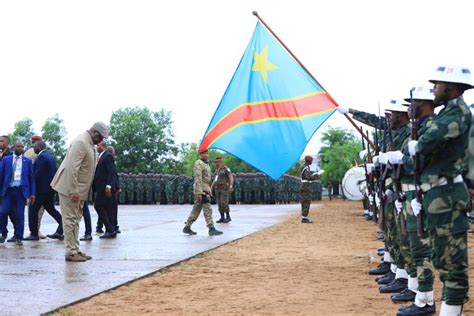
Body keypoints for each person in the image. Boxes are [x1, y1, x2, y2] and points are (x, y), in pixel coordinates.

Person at [409, 65, 472, 315]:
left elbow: (427, 142)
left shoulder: (457, 113)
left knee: (452, 263)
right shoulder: (449, 112)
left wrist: (412, 147)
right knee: (441, 258)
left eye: (438, 85)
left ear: (450, 87)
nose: (435, 89)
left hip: (447, 197)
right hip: (438, 196)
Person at [51, 122, 108, 262]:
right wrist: (73, 190)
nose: (101, 141)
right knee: (70, 220)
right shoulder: (80, 142)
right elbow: (72, 168)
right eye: (100, 137)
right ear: (94, 131)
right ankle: (70, 252)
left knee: (76, 219)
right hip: (70, 189)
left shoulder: (89, 144)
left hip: (79, 190)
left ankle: (75, 249)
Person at [24, 140, 63, 241]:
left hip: (40, 190)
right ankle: (62, 228)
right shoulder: (51, 156)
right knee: (51, 210)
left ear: (39, 147)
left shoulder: (41, 157)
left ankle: (34, 234)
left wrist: (31, 188)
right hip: (49, 190)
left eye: (35, 147)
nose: (33, 149)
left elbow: (37, 175)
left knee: (32, 210)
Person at [0, 140, 35, 246]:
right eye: (18, 146)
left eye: (22, 146)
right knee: (2, 212)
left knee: (20, 215)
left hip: (21, 192)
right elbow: (1, 175)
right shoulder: (6, 159)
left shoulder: (27, 161)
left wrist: (33, 193)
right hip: (8, 191)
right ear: (14, 147)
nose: (21, 148)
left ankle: (19, 236)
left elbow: (31, 178)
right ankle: (4, 233)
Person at [182, 149, 222, 236]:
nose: (206, 155)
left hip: (205, 189)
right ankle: (211, 228)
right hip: (202, 190)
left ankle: (187, 227)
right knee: (208, 208)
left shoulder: (206, 164)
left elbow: (207, 179)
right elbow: (198, 178)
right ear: (200, 154)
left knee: (196, 209)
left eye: (207, 153)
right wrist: (199, 192)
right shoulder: (199, 164)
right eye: (204, 153)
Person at [92, 140, 117, 239]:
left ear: (102, 146)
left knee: (98, 206)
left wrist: (109, 186)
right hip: (100, 187)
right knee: (106, 208)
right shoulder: (101, 156)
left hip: (104, 188)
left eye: (97, 145)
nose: (96, 147)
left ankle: (110, 229)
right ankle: (110, 230)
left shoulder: (107, 156)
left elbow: (111, 172)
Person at [24, 135, 47, 239]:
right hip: (36, 186)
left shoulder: (27, 152)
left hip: (33, 186)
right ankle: (35, 231)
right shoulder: (34, 152)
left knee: (34, 210)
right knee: (37, 210)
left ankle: (35, 231)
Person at [0, 135, 16, 240]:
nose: (0, 143)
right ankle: (3, 233)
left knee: (11, 212)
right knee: (1, 213)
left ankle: (17, 233)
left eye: (1, 141)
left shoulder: (11, 156)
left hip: (8, 189)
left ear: (7, 143)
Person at [211, 156, 234, 223]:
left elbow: (231, 177)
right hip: (217, 189)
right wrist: (211, 187)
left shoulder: (226, 168)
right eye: (215, 162)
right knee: (219, 203)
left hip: (224, 189)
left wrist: (231, 185)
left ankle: (228, 216)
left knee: (224, 203)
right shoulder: (217, 170)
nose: (216, 163)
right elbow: (215, 180)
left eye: (217, 162)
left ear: (221, 162)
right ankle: (222, 217)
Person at [300, 155, 318, 223]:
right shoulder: (306, 168)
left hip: (303, 186)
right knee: (307, 201)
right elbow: (308, 177)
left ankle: (304, 217)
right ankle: (304, 217)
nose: (312, 162)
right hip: (306, 186)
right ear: (309, 161)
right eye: (311, 161)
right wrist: (315, 176)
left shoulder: (303, 166)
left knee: (304, 201)